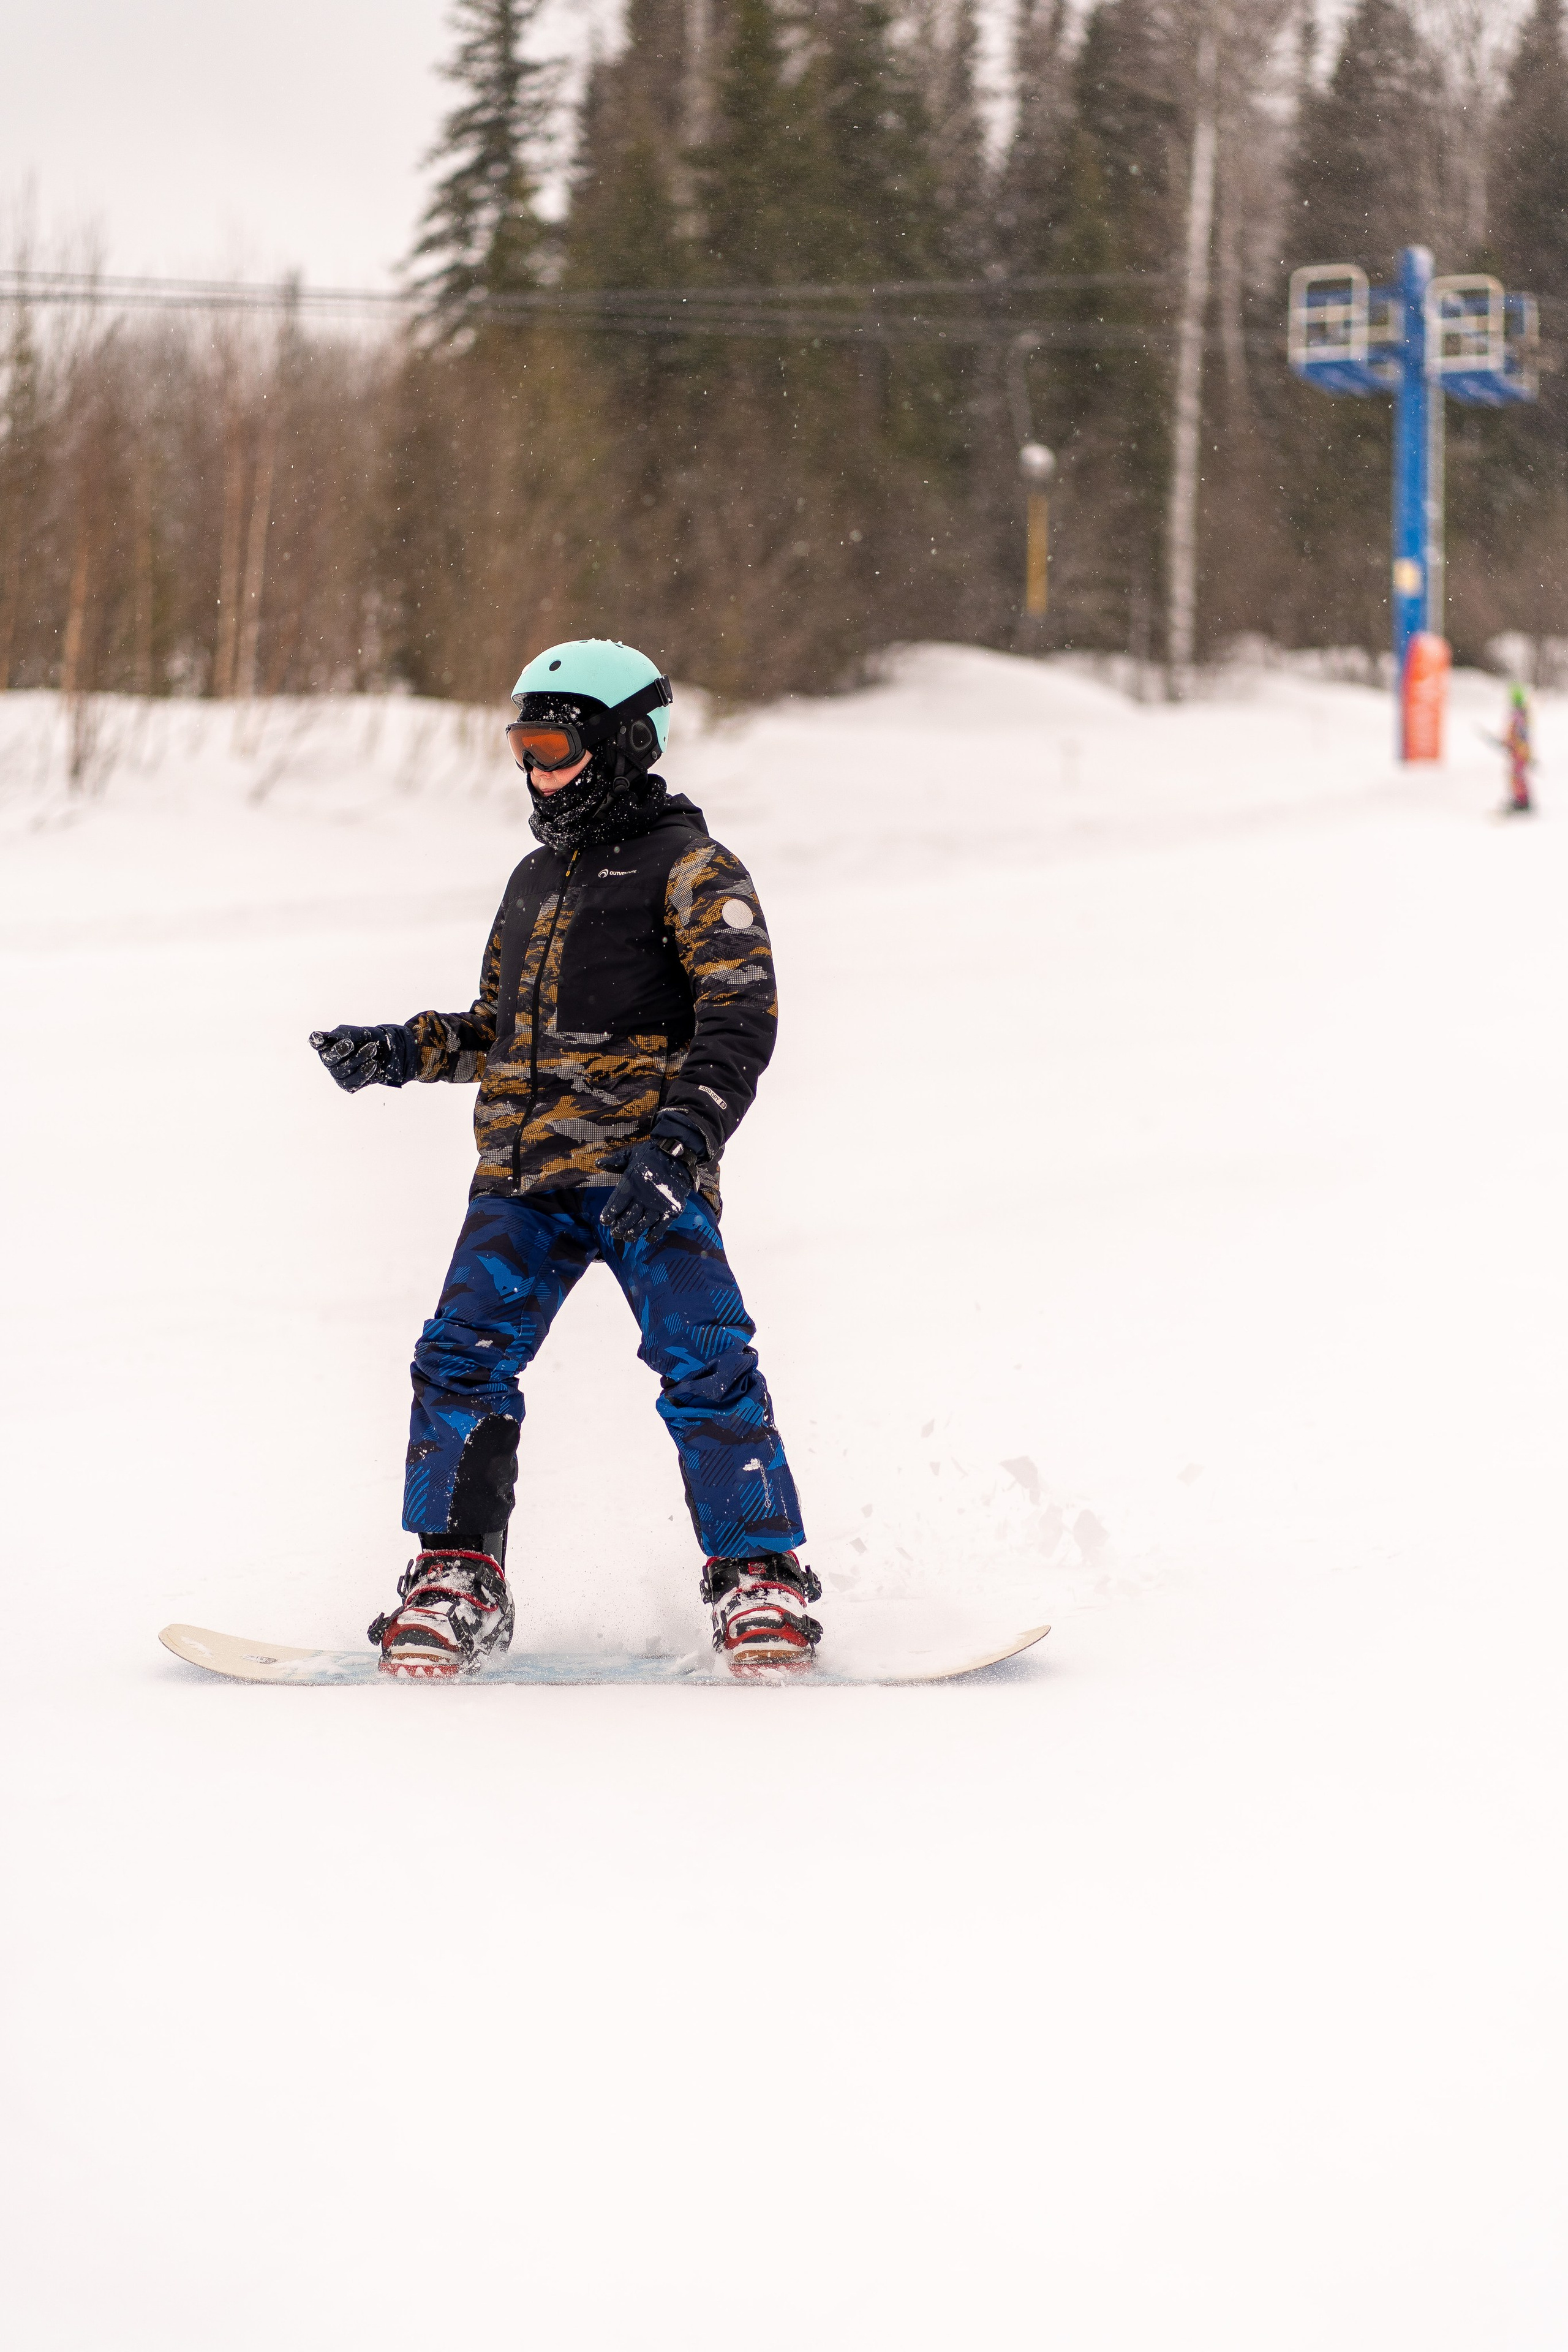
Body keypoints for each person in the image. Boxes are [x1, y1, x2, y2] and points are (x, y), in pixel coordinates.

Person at [310, 638, 819, 1679]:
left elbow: (740, 1024)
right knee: (458, 1361)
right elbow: (503, 1030)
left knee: (707, 1363)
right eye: (522, 746)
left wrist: (677, 1149)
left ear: (625, 743)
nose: (534, 770)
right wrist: (405, 1050)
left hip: (645, 1183)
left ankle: (757, 1576)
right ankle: (456, 1575)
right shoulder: (535, 879)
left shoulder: (693, 872)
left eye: (552, 744)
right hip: (522, 1187)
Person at [1501, 682, 1535, 815]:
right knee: (1518, 775)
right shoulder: (1522, 714)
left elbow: (1520, 735)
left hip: (1519, 752)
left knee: (1518, 775)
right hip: (1520, 751)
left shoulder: (1518, 715)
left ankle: (1521, 801)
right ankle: (1520, 799)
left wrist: (1512, 745)